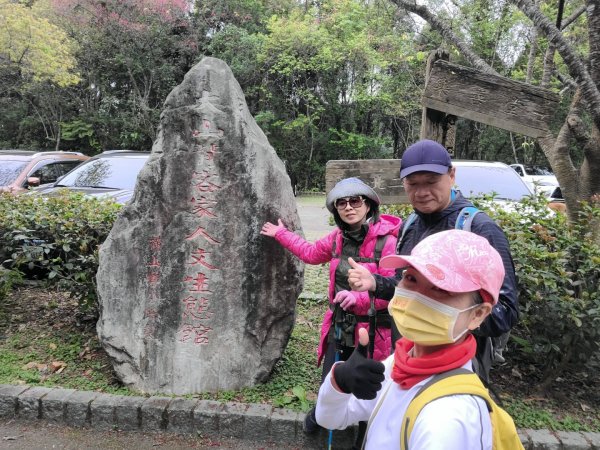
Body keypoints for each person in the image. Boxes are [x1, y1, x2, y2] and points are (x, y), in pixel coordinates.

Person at [316, 229, 513, 449]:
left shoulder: (450, 418)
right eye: (411, 278)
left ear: (477, 314)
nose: (417, 297)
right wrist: (339, 381)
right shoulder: (400, 362)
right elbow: (331, 419)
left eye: (440, 288)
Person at [348, 139, 519, 382]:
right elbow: (406, 286)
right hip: (409, 357)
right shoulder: (410, 225)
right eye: (412, 183)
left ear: (451, 175)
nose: (421, 192)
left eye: (431, 181)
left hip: (457, 365)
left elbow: (507, 312)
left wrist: (445, 318)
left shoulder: (479, 229)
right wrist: (375, 283)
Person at [260, 177, 401, 437]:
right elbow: (312, 253)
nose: (349, 207)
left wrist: (358, 298)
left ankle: (363, 436)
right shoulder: (338, 238)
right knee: (333, 380)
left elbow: (394, 289)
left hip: (372, 330)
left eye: (355, 201)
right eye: (342, 203)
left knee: (368, 387)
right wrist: (281, 234)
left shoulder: (387, 242)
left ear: (368, 205)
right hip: (340, 324)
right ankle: (321, 418)